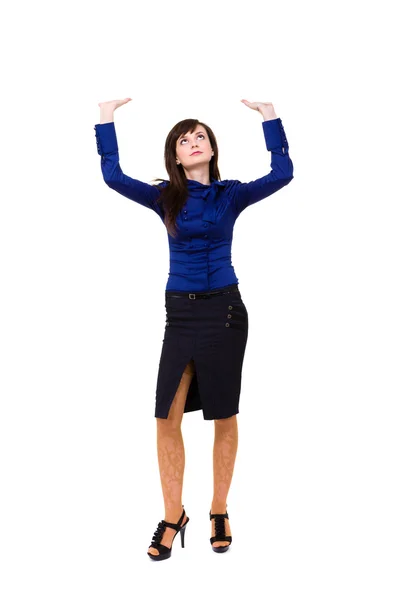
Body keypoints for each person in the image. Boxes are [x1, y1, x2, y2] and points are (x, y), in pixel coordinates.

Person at [94, 98, 294, 560]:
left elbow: (282, 174)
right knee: (167, 415)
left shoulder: (231, 194)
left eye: (200, 135)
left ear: (211, 148)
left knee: (224, 414)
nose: (193, 142)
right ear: (176, 156)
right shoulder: (166, 196)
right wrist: (105, 118)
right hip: (180, 314)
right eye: (184, 140)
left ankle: (219, 510)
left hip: (225, 312)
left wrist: (270, 118)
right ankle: (171, 515)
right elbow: (112, 176)